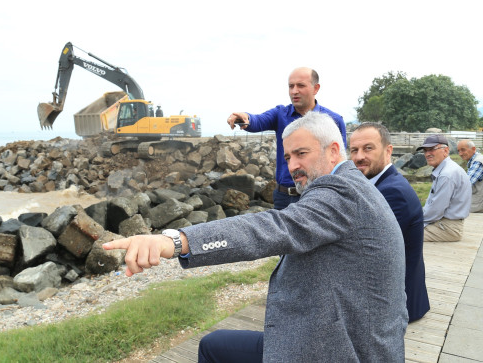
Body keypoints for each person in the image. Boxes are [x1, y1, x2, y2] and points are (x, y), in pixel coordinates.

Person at [104, 112, 407, 362]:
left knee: (213, 349)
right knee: (217, 345)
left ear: (333, 151)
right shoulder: (358, 186)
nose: (293, 166)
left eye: (302, 153)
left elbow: (273, 227)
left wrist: (175, 241)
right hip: (359, 339)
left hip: (340, 350)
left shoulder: (340, 192)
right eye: (288, 157)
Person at [225, 67, 346, 209]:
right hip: (284, 198)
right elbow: (258, 121)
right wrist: (245, 117)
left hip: (319, 196)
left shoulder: (334, 120)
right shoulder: (280, 114)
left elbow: (341, 162)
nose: (294, 91)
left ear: (316, 88)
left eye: (300, 85)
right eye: (291, 86)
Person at [349, 122, 429, 322]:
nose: (359, 157)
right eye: (354, 150)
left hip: (397, 304)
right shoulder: (383, 184)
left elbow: (362, 251)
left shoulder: (392, 193)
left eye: (368, 148)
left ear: (388, 151)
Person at [418, 135, 471, 242]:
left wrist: (415, 220)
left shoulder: (446, 175)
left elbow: (435, 211)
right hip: (444, 223)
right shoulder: (447, 169)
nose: (427, 154)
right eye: (425, 151)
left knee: (404, 235)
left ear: (446, 151)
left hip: (446, 228)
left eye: (432, 149)